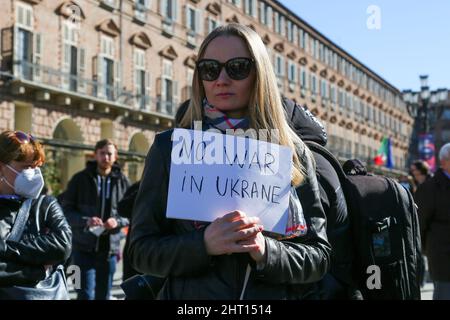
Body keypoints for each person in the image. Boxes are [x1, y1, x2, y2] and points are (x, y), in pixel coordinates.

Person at [129, 24, 331, 300]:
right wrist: (203, 245)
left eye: (237, 68)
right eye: (210, 69)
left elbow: (318, 258)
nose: (221, 79)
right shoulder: (170, 148)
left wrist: (266, 251)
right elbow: (140, 252)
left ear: (259, 74)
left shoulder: (292, 153)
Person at [0, 130, 72, 297]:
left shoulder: (45, 205)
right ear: (2, 167)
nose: (34, 174)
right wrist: (37, 271)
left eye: (36, 167)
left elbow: (62, 246)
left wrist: (5, 248)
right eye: (26, 167)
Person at [62, 139, 130, 300]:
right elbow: (65, 211)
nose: (106, 157)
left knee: (104, 295)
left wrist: (117, 221)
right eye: (102, 153)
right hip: (81, 249)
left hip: (109, 251)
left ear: (115, 156)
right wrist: (86, 220)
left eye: (109, 153)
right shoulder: (79, 179)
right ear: (95, 155)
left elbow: (131, 213)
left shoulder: (122, 181)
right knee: (83, 294)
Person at [416, 143, 450, 300]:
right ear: (443, 162)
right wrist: (426, 248)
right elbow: (420, 222)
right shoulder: (430, 188)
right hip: (442, 253)